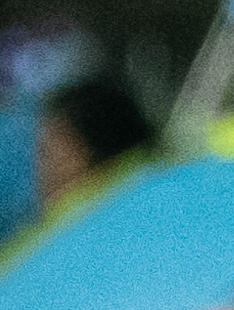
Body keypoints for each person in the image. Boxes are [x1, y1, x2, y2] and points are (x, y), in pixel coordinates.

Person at [30, 69, 158, 213]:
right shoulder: (172, 186)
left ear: (80, 153)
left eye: (47, 155)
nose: (40, 173)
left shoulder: (68, 229)